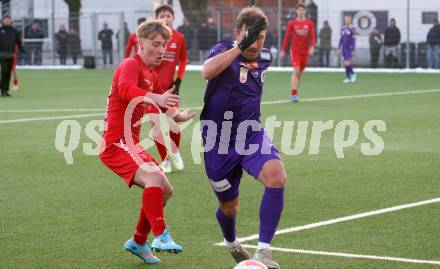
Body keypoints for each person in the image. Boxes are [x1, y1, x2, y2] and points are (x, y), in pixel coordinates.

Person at [99, 18, 195, 264]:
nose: (162, 50)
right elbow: (125, 90)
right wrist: (156, 97)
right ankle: (161, 235)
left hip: (130, 143)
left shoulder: (149, 73)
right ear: (140, 43)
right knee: (153, 178)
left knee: (166, 189)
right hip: (115, 143)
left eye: (164, 45)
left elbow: (161, 101)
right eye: (156, 44)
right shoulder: (131, 64)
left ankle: (139, 241)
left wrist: (177, 114)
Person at [200, 6, 286, 269]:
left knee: (276, 176)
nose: (256, 44)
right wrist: (239, 47)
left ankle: (263, 251)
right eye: (251, 37)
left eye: (260, 38)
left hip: (250, 133)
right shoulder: (223, 50)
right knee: (229, 207)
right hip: (218, 140)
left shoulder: (266, 56)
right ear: (238, 32)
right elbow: (207, 71)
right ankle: (232, 243)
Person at [152, 5, 188, 173]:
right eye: (161, 15)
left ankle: (174, 152)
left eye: (168, 15)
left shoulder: (179, 38)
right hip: (151, 90)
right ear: (156, 18)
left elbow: (183, 59)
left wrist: (179, 80)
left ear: (173, 18)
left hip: (170, 89)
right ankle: (164, 159)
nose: (165, 18)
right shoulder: (150, 38)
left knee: (174, 124)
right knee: (156, 125)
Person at [281, 3, 316, 102]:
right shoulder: (292, 23)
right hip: (295, 50)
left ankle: (296, 92)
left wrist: (312, 47)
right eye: (299, 10)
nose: (301, 12)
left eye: (302, 10)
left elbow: (313, 37)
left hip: (305, 51)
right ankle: (293, 94)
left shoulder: (309, 23)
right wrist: (283, 50)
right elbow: (287, 37)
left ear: (305, 11)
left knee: (299, 73)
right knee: (296, 70)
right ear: (296, 11)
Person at [0, 15, 24, 97]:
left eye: (8, 20)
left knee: (9, 73)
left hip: (11, 55)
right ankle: (2, 90)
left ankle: (6, 90)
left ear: (11, 21)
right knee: (4, 70)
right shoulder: (0, 30)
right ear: (3, 21)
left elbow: (19, 42)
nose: (7, 21)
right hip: (1, 55)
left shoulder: (14, 31)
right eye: (5, 20)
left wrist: (22, 51)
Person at [337, 15, 356, 83]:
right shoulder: (343, 28)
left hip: (349, 48)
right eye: (346, 19)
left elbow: (353, 39)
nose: (347, 20)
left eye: (348, 19)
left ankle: (353, 74)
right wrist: (339, 48)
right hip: (344, 48)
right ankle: (348, 77)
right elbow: (341, 39)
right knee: (345, 63)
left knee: (347, 63)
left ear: (350, 20)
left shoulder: (352, 28)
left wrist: (353, 49)